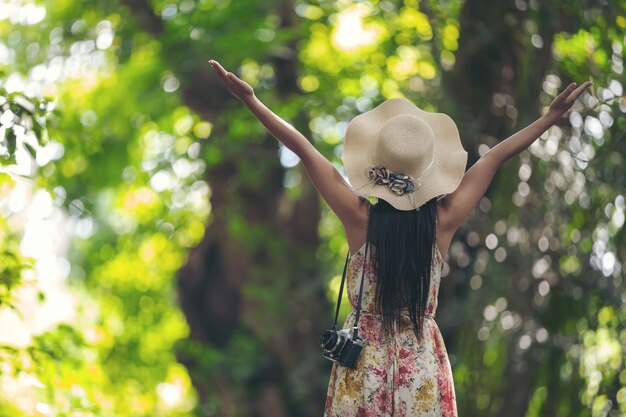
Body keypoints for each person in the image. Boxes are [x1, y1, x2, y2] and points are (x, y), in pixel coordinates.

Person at [209, 59, 591, 416]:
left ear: (377, 167)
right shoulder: (441, 223)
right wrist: (549, 118)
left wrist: (252, 101)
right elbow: (492, 159)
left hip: (362, 369)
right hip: (421, 368)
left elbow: (306, 151)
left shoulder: (360, 220)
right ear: (428, 172)